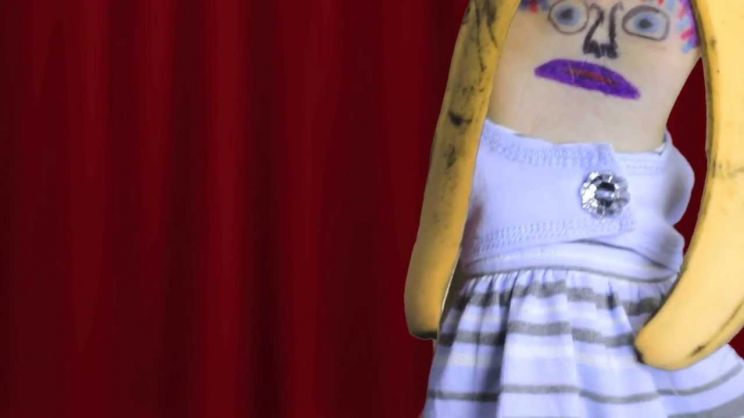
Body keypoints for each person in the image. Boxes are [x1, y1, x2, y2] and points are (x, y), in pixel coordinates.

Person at [420, 0, 744, 416]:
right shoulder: (469, 153)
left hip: (654, 344)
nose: (600, 45)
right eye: (568, 14)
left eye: (646, 23)